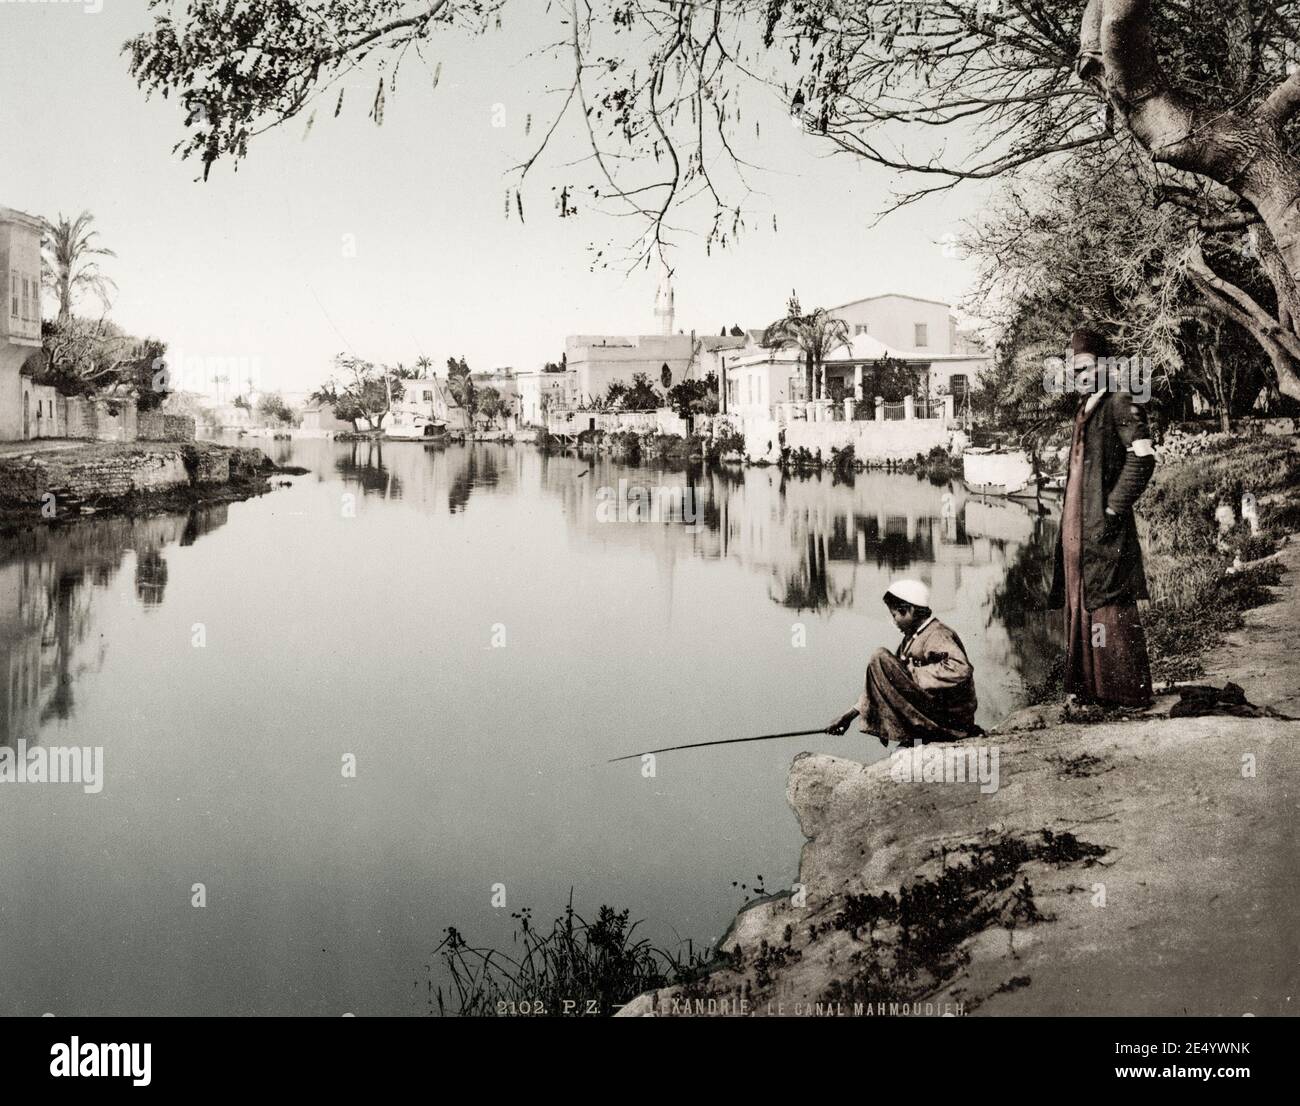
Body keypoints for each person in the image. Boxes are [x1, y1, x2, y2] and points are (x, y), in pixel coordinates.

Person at [1048, 328, 1157, 708]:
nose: (1080, 376)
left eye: (1087, 368)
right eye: (1074, 370)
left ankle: (1122, 690)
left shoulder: (1119, 400)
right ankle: (1090, 689)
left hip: (1103, 526)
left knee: (1108, 603)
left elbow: (1142, 458)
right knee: (1081, 601)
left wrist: (1112, 509)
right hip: (1078, 528)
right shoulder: (1085, 407)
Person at [826, 579, 980, 747]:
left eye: (895, 615)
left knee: (879, 657)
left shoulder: (937, 634)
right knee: (881, 663)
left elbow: (960, 668)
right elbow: (885, 681)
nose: (894, 621)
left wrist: (910, 674)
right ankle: (917, 733)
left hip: (952, 720)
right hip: (935, 714)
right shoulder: (910, 638)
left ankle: (932, 733)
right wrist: (849, 715)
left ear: (910, 610)